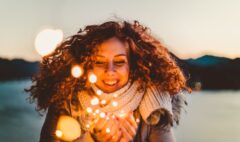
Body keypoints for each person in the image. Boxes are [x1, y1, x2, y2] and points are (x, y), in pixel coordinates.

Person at [27, 20, 191, 142]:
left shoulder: (155, 106)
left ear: (132, 65)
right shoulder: (66, 101)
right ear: (87, 64)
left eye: (119, 62)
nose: (109, 71)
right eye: (99, 62)